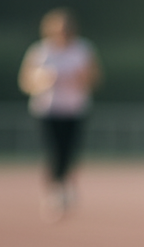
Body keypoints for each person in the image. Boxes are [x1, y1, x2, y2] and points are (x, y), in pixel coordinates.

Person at [18, 8, 102, 221]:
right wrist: (42, 80)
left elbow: (95, 78)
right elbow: (25, 81)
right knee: (54, 150)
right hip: (48, 109)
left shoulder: (83, 49)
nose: (62, 33)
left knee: (70, 150)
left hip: (74, 109)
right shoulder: (40, 52)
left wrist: (81, 79)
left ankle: (65, 185)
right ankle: (55, 192)